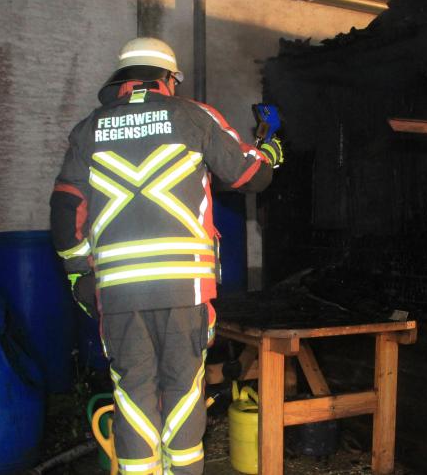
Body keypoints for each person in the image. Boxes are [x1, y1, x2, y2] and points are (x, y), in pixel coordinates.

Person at [50, 37, 282, 475]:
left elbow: (65, 209)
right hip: (183, 290)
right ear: (169, 78)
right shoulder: (195, 116)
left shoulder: (89, 129)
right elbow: (249, 174)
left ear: (122, 78)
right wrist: (268, 152)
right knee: (183, 391)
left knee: (133, 396)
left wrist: (80, 274)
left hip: (117, 295)